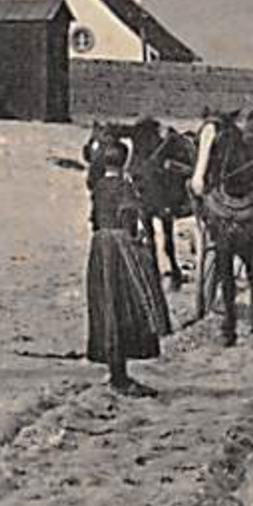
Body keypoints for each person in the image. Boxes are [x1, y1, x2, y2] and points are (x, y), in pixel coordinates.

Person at [86, 140, 172, 396]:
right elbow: (129, 219)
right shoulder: (125, 187)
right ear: (124, 163)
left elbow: (94, 220)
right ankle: (121, 378)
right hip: (121, 249)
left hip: (100, 248)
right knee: (128, 304)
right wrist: (138, 242)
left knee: (107, 306)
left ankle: (115, 369)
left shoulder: (99, 187)